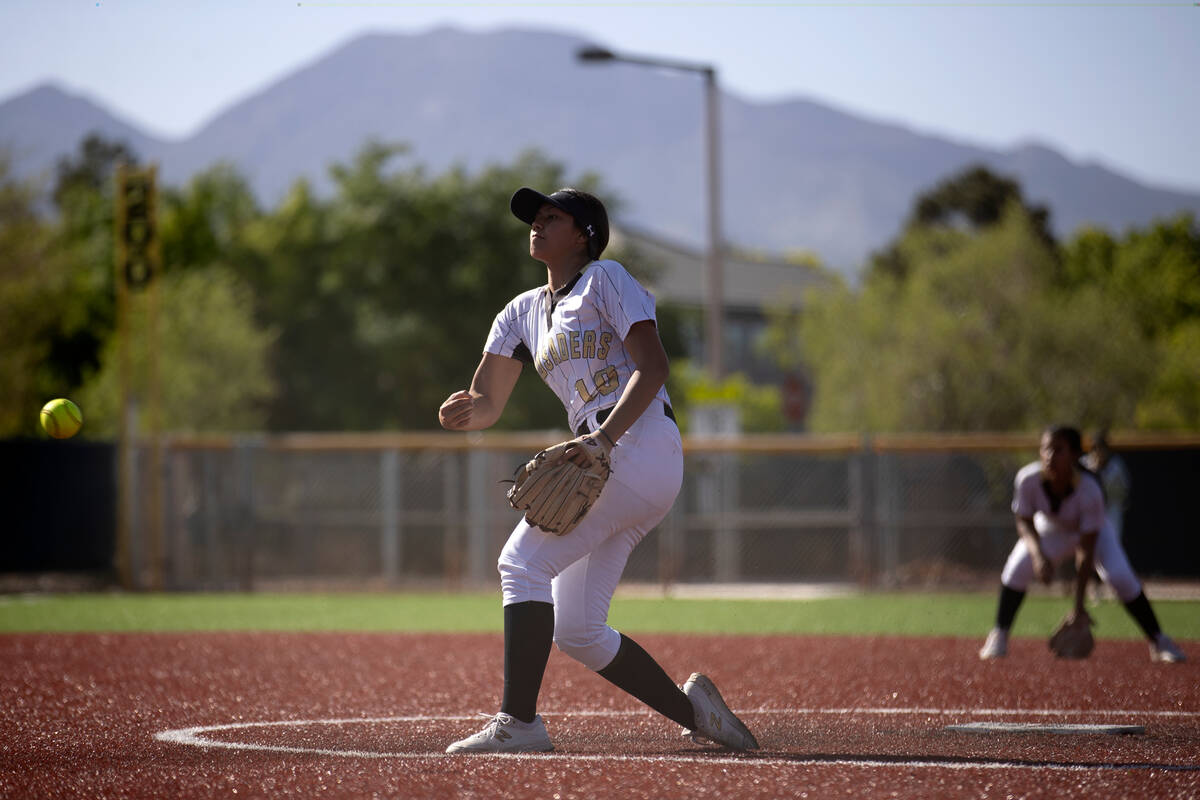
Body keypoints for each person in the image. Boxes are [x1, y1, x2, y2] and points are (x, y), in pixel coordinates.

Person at [437, 187, 760, 753]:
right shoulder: (519, 314)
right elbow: (487, 404)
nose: (536, 224)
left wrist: (605, 440)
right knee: (579, 630)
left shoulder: (605, 279)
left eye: (551, 216)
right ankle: (698, 712)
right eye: (534, 218)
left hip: (635, 442)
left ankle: (521, 724)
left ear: (584, 233)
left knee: (520, 563)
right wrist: (466, 414)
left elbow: (654, 367)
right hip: (612, 455)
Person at [979, 425, 1186, 663]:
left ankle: (1159, 641)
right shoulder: (1028, 479)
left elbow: (1085, 551)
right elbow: (1024, 521)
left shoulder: (1090, 488)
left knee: (1119, 576)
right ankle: (999, 635)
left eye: (1058, 450)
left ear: (1076, 455)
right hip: (1052, 527)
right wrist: (1038, 556)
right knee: (1017, 567)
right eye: (1045, 449)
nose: (1049, 456)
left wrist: (1078, 607)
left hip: (1094, 532)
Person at [1083, 429, 1132, 544]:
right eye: (1095, 447)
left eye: (1101, 447)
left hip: (1110, 509)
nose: (1099, 451)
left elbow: (1123, 492)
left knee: (1112, 543)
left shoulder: (1116, 466)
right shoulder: (1084, 464)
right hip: (1088, 510)